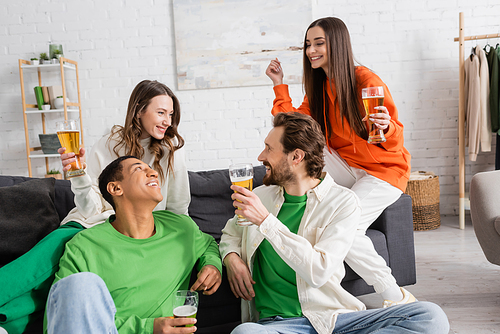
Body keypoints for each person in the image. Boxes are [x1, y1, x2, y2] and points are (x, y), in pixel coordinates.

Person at [220, 112, 449, 334]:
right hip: (280, 324)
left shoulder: (342, 203)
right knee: (246, 332)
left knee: (431, 316)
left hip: (338, 320)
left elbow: (318, 272)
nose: (261, 156)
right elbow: (230, 234)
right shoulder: (260, 196)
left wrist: (267, 222)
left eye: (269, 148)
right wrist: (231, 259)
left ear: (296, 157)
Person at [0, 80, 189, 334]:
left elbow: (178, 210)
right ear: (139, 111)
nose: (167, 121)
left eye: (171, 114)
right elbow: (91, 206)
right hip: (89, 222)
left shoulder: (171, 153)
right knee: (46, 262)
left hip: (128, 229)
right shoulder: (110, 144)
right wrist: (78, 174)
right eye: (161, 112)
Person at [265, 17, 413, 306]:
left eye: (319, 43)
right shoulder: (319, 87)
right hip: (347, 166)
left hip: (384, 171)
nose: (311, 51)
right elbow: (293, 124)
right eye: (308, 44)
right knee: (301, 147)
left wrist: (386, 126)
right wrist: (279, 86)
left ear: (337, 44)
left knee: (347, 228)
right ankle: (294, 212)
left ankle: (394, 295)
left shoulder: (366, 81)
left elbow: (394, 137)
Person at [44, 156, 222, 334]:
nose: (153, 173)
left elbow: (209, 244)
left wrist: (213, 264)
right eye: (139, 169)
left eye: (151, 169)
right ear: (115, 188)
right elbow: (60, 317)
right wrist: (148, 328)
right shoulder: (84, 245)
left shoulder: (182, 228)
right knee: (80, 284)